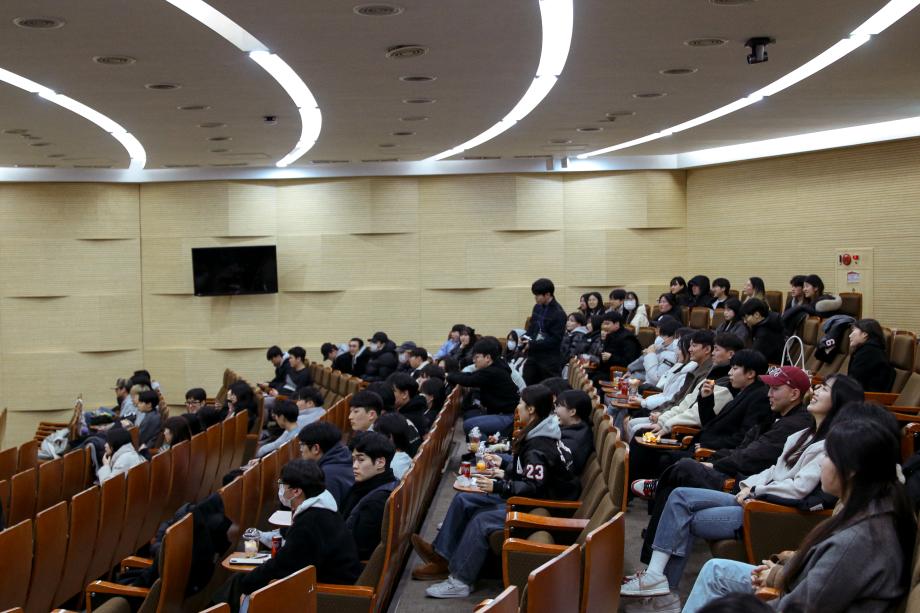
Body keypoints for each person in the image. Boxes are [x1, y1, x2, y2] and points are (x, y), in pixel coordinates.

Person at [623, 371, 861, 607]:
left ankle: (666, 592)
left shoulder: (829, 445)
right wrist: (749, 486)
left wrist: (756, 492)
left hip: (766, 509)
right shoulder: (803, 434)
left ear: (839, 401)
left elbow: (798, 489)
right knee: (679, 497)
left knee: (685, 514)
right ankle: (658, 579)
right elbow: (773, 470)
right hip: (755, 495)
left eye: (824, 388)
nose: (815, 391)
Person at [682, 416, 915, 613]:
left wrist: (775, 581)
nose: (821, 464)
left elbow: (801, 607)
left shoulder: (857, 541)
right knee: (716, 570)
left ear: (852, 471)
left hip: (793, 598)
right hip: (796, 584)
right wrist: (780, 571)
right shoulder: (875, 505)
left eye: (828, 456)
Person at [632, 366, 819, 565]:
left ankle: (653, 565)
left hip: (742, 482)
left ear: (794, 394)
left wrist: (715, 465)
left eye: (776, 389)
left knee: (683, 469)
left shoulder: (793, 424)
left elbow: (754, 456)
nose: (769, 394)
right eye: (770, 388)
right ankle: (653, 569)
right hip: (735, 468)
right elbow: (742, 445)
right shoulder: (776, 415)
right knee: (676, 477)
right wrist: (715, 458)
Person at [411, 385, 579, 598]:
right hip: (533, 499)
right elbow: (532, 474)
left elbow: (534, 487)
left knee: (482, 520)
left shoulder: (539, 446)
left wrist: (499, 486)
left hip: (541, 508)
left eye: (521, 403)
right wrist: (505, 467)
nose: (517, 407)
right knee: (465, 499)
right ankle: (442, 557)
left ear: (531, 409)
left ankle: (461, 581)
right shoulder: (540, 433)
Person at [215, 459, 362, 613]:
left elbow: (283, 565)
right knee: (240, 581)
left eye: (282, 485)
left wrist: (247, 583)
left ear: (296, 491)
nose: (280, 489)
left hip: (329, 594)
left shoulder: (310, 523)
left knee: (241, 583)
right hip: (322, 582)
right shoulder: (321, 511)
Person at [342, 431, 399, 560]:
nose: (354, 466)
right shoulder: (387, 482)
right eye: (354, 459)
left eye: (361, 460)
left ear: (380, 463)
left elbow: (360, 549)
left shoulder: (376, 502)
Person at [448, 337, 520, 437]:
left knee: (470, 426)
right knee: (469, 415)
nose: (474, 360)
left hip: (509, 417)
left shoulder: (492, 372)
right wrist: (454, 375)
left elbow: (469, 380)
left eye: (477, 357)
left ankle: (487, 446)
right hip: (500, 412)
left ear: (487, 358)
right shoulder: (497, 365)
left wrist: (449, 376)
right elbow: (471, 376)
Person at [522, 278, 567, 385]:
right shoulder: (537, 307)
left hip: (549, 359)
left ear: (547, 294)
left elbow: (555, 340)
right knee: (528, 381)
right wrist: (525, 337)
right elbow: (533, 327)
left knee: (549, 387)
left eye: (538, 295)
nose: (535, 298)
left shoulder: (559, 313)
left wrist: (533, 344)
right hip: (534, 355)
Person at [298, 421, 354, 506]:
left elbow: (325, 511)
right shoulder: (347, 456)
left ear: (316, 448)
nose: (300, 449)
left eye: (302, 445)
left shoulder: (327, 474)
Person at [847, 318, 895, 392]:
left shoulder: (869, 353)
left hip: (867, 397)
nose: (850, 336)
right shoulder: (870, 350)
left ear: (864, 334)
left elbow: (854, 382)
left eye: (853, 331)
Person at [555, 389, 594, 476]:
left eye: (559, 406)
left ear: (572, 412)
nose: (555, 411)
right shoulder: (579, 429)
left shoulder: (574, 441)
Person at [740, 298, 784, 364]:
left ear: (757, 315)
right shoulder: (768, 323)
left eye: (746, 318)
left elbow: (754, 358)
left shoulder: (765, 333)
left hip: (772, 367)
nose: (745, 321)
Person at [373, 413, 415, 479]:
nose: (374, 439)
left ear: (390, 437)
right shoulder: (403, 456)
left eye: (377, 435)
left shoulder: (392, 466)